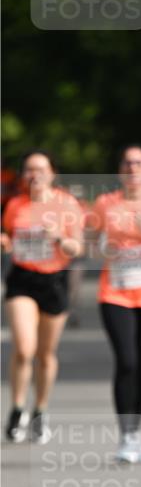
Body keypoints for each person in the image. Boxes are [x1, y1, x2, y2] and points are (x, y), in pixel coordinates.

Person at [88, 145, 141, 463]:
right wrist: (101, 246)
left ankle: (136, 431)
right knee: (125, 360)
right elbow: (91, 248)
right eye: (127, 163)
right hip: (115, 293)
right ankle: (126, 435)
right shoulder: (105, 204)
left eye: (139, 163)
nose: (133, 168)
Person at [1, 151, 83, 443]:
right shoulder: (15, 205)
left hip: (55, 281)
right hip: (22, 279)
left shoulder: (67, 204)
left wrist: (59, 236)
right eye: (29, 170)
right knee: (24, 348)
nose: (35, 175)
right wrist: (6, 241)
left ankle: (40, 410)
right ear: (24, 175)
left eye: (40, 169)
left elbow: (77, 249)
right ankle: (17, 407)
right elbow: (9, 235)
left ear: (52, 173)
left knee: (45, 354)